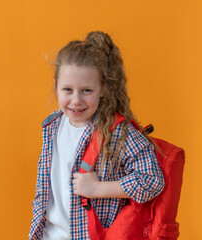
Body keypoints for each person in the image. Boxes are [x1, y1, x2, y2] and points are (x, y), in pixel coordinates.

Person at [29, 31, 165, 240]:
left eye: (86, 90)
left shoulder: (117, 131)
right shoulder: (51, 126)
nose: (76, 100)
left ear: (103, 88)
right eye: (67, 89)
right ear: (56, 86)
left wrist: (98, 188)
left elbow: (152, 180)